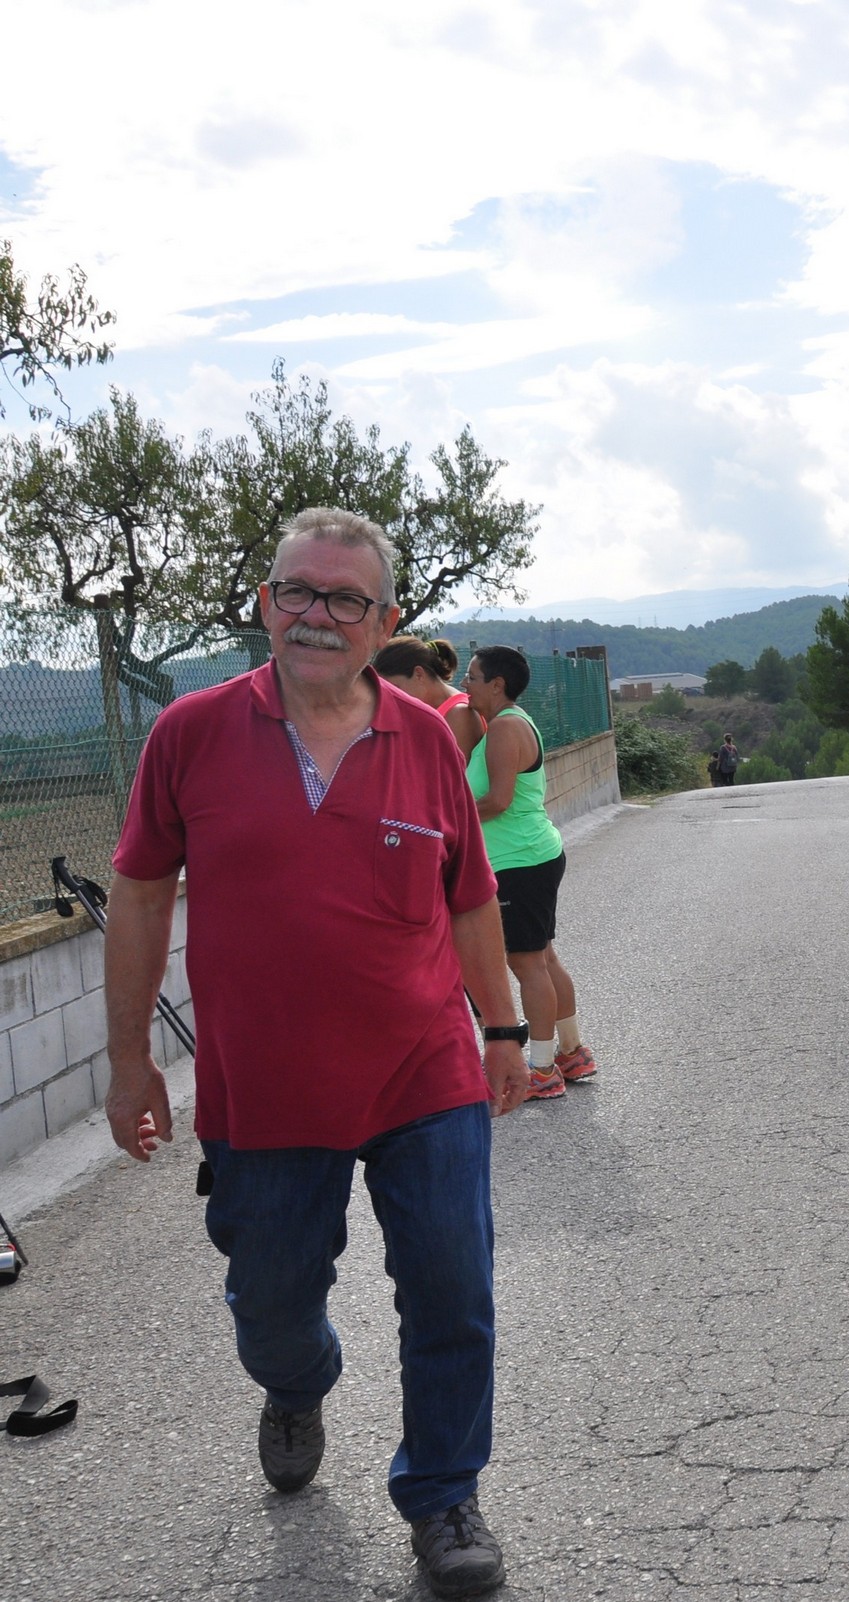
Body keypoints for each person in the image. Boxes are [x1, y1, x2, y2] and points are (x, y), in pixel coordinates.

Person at [102, 507, 529, 1598]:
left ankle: (443, 1494)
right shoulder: (191, 733)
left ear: (385, 621)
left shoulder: (428, 739)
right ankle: (299, 1385)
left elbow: (470, 898)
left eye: (345, 599)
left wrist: (503, 1028)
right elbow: (141, 892)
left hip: (423, 1071)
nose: (316, 615)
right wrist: (130, 1056)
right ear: (265, 604)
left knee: (453, 1289)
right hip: (264, 1088)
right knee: (273, 1310)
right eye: (297, 590)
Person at [463, 646, 596, 1098]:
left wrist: (445, 815)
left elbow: (498, 800)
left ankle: (541, 1071)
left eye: (472, 677)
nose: (465, 684)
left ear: (496, 684)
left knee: (527, 964)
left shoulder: (504, 728)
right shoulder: (512, 721)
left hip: (517, 861)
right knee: (543, 958)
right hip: (533, 855)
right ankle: (571, 1052)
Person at [374, 636, 483, 759]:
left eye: (396, 688)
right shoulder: (427, 711)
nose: (392, 697)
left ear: (419, 674)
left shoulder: (459, 714)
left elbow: (453, 770)